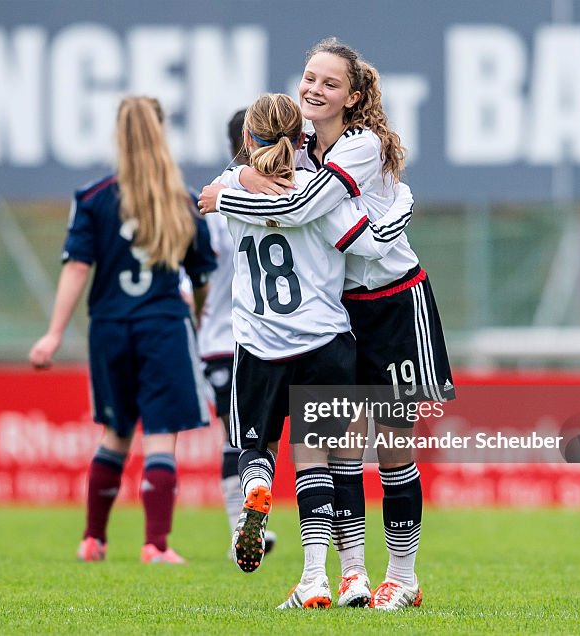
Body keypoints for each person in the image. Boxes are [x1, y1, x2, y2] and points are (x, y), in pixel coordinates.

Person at [200, 37, 455, 610]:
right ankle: (347, 577)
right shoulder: (302, 144)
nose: (314, 88)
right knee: (339, 449)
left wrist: (232, 190)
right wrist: (241, 183)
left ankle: (403, 577)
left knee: (391, 449)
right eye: (310, 78)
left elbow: (299, 208)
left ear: (354, 95)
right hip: (341, 310)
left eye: (330, 82)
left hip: (392, 302)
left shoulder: (361, 145)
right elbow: (265, 189)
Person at [218, 92, 414, 610]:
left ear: (246, 139)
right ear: (302, 138)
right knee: (320, 463)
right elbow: (370, 245)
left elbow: (219, 190)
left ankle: (263, 499)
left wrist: (237, 179)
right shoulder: (319, 193)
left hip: (259, 343)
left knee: (255, 449)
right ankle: (328, 577)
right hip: (324, 340)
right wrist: (403, 201)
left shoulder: (230, 191)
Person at [29, 96, 217, 565]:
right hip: (163, 327)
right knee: (160, 435)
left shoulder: (93, 198)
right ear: (160, 133)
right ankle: (155, 545)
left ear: (118, 135)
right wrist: (195, 317)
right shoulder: (181, 200)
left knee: (115, 433)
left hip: (110, 329)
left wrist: (53, 333)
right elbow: (202, 275)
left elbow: (77, 268)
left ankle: (93, 539)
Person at [197, 108, 277, 558]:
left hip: (223, 339)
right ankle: (248, 531)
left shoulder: (211, 201)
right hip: (276, 337)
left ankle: (243, 529)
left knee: (240, 435)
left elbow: (195, 277)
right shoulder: (297, 190)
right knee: (301, 441)